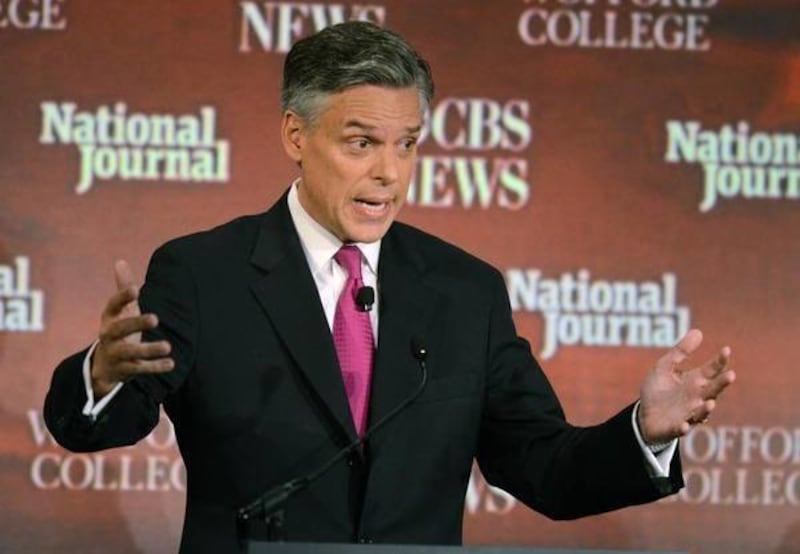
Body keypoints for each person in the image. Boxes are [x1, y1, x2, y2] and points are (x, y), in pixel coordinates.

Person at [44, 21, 735, 554]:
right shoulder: (203, 273)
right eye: (361, 143)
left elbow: (545, 468)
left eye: (407, 144)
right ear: (295, 134)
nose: (390, 174)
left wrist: (643, 432)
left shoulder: (466, 293)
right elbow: (101, 423)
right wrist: (100, 374)